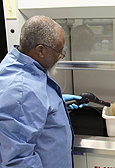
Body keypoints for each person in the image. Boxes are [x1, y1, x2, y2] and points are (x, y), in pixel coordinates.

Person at [0, 15, 83, 167]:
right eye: (59, 51)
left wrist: (55, 103)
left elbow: (28, 106)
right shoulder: (21, 91)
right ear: (40, 50)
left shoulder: (21, 65)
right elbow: (17, 161)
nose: (61, 56)